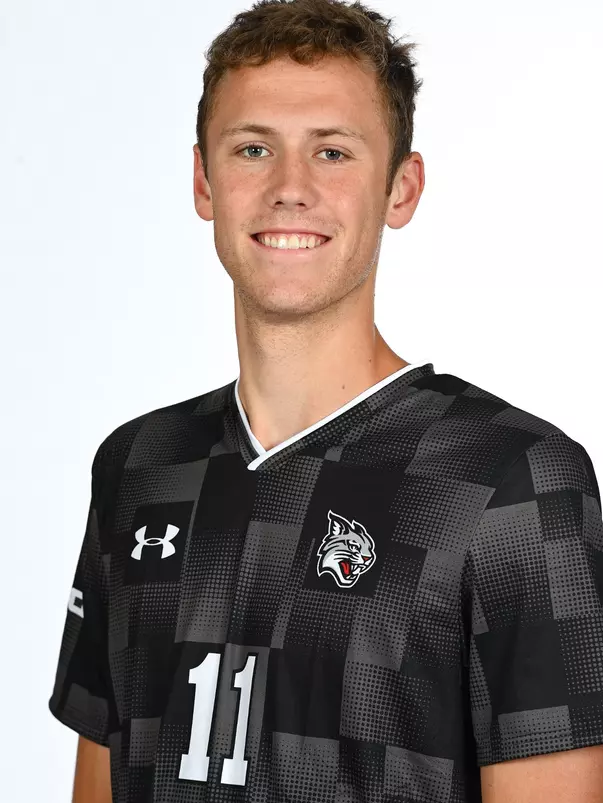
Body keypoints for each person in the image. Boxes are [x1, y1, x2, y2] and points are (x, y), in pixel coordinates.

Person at [48, 1, 603, 801]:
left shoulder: (512, 478)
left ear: (400, 188)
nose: (289, 189)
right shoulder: (139, 467)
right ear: (204, 181)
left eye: (333, 152)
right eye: (251, 149)